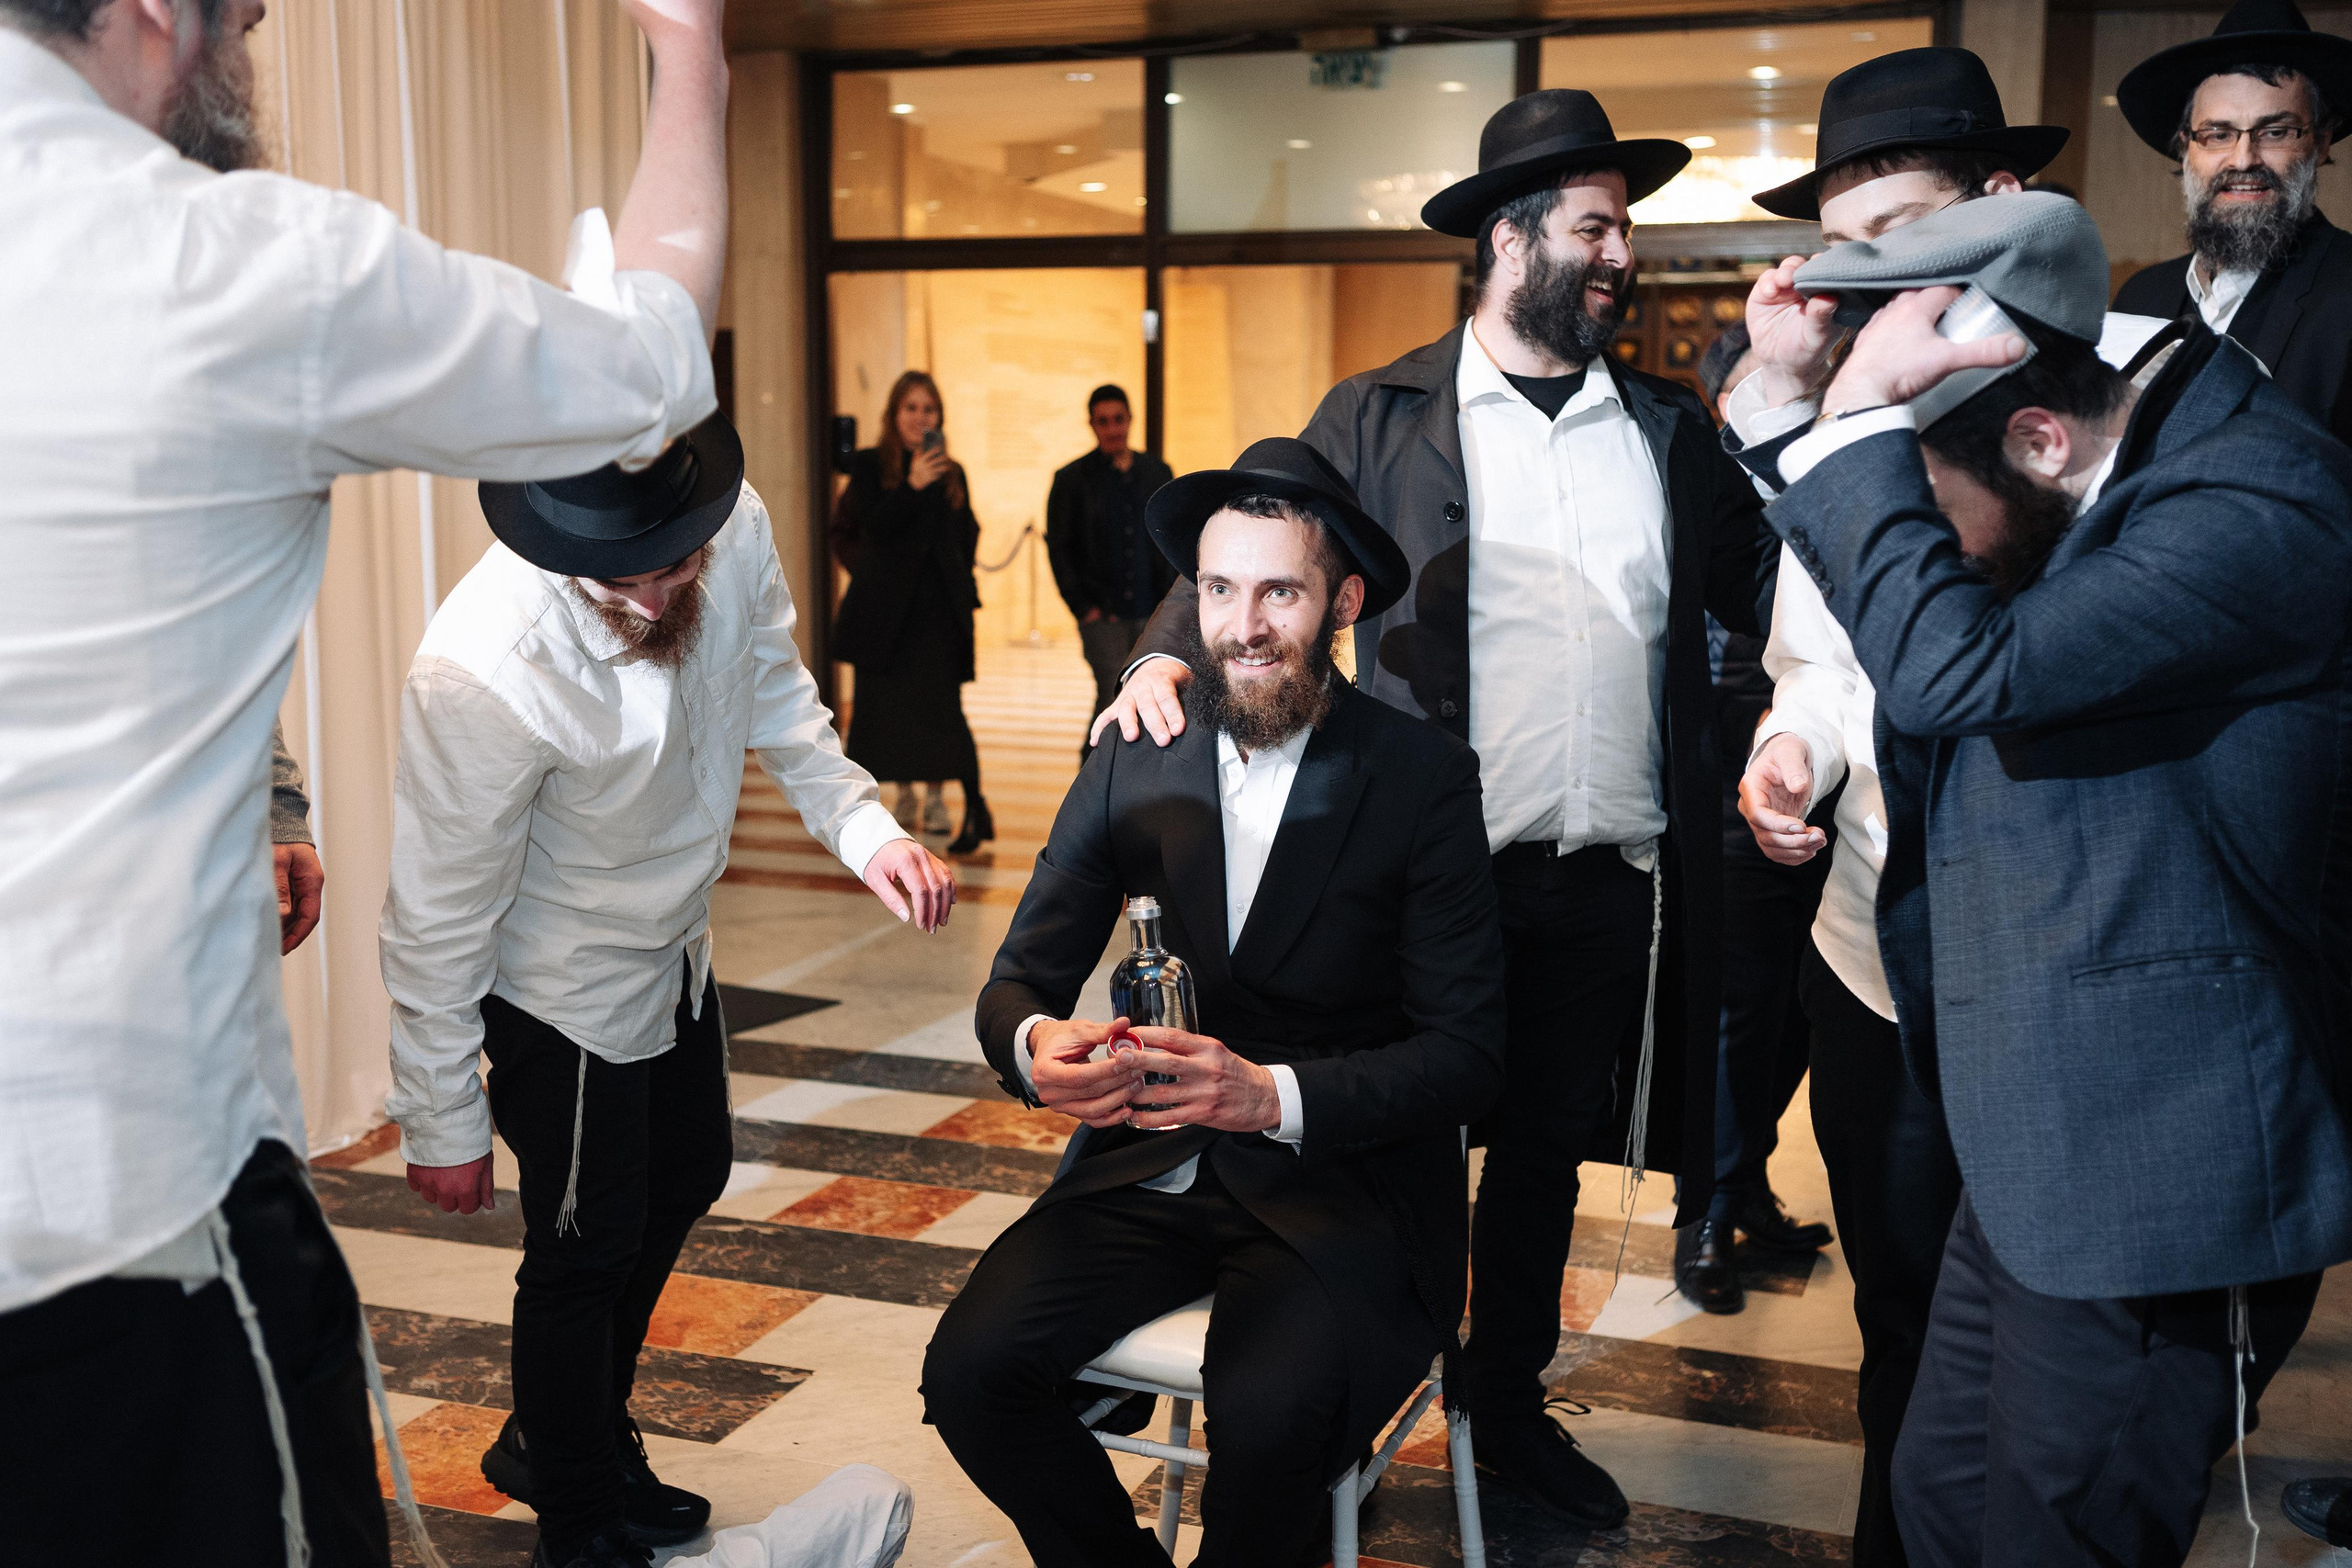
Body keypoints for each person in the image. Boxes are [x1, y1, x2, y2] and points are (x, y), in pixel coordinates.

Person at [0, 0, 730, 1561]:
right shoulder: (230, 266)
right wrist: (691, 57)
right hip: (115, 1215)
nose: (255, 23)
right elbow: (651, 370)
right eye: (241, 5)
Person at [1092, 89, 1780, 1529]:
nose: (1622, 258)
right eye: (1596, 229)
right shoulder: (1380, 412)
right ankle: (1323, 1392)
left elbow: (1775, 593)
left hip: (1602, 880)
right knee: (1377, 1141)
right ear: (1511, 238)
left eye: (1624, 230)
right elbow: (1249, 535)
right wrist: (1164, 644)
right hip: (1417, 881)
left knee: (1538, 1162)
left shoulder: (1663, 430)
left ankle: (1504, 1403)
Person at [1766, 192, 2352, 1567]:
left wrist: (1854, 436)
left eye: (1933, 518)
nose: (1932, 561)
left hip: (2159, 1160)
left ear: (2035, 438)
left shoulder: (2255, 506)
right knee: (1943, 1498)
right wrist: (1797, 406)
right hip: (2041, 1133)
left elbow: (1957, 665)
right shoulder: (2068, 461)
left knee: (2059, 1531)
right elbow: (1900, 595)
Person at [381, 419, 956, 1568]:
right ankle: (581, 1521)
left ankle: (564, 1436)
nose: (655, 596)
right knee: (584, 1247)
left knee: (683, 1175)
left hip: (675, 942)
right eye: (623, 579)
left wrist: (862, 827)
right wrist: (439, 1115)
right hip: (561, 985)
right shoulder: (483, 666)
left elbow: (774, 689)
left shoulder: (723, 527)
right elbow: (435, 911)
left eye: (674, 566)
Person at [923, 437, 1507, 1567]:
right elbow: (1018, 981)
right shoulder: (1138, 755)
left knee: (1271, 1423)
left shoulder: (1419, 780)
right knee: (972, 1377)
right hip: (1146, 1169)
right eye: (1220, 589)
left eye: (1278, 591)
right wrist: (1037, 1048)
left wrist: (1269, 1095)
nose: (1243, 624)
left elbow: (1469, 1055)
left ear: (1341, 601)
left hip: (1343, 1188)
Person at [1714, 47, 2085, 1563]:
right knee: (1903, 1320)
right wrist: (1786, 757)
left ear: (2005, 205)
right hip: (1872, 966)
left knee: (2048, 1359)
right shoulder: (1842, 428)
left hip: (2049, 982)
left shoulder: (2097, 420)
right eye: (1860, 251)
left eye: (1915, 233)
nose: (1887, 282)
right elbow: (1819, 666)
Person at [1674, 322, 1834, 1318]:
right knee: (1734, 1020)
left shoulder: (1829, 468)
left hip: (1827, 792)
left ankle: (1749, 1187)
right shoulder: (1703, 489)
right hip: (1726, 794)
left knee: (1797, 1019)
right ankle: (1702, 1211)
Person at [2111, 0, 2352, 444]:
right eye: (2218, 134)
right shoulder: (2141, 296)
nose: (2243, 159)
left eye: (2275, 132)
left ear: (2320, 142)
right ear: (2187, 147)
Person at [833, 370, 992, 854]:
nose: (920, 419)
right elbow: (872, 530)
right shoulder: (867, 466)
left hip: (937, 616)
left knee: (942, 715)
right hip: (886, 619)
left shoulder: (952, 471)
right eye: (911, 409)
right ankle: (897, 796)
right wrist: (911, 487)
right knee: (885, 715)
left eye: (929, 410)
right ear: (893, 414)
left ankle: (948, 799)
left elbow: (966, 531)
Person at [1046, 384, 1177, 746]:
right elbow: (1059, 548)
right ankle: (1096, 779)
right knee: (1113, 692)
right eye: (1103, 421)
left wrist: (1170, 600)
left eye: (1118, 419)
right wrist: (1083, 607)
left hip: (1150, 609)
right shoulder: (1071, 480)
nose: (1112, 428)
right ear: (1092, 424)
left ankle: (1137, 779)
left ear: (1129, 420)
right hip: (1102, 616)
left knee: (1150, 690)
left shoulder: (1157, 471)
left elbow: (1169, 534)